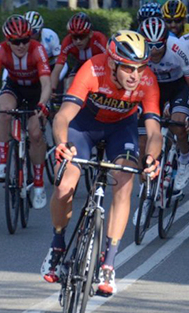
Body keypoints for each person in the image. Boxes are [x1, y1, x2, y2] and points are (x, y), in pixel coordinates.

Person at [42, 31, 160, 297]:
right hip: (84, 128)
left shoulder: (148, 81)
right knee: (64, 185)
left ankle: (109, 263)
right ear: (112, 64)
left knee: (124, 181)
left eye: (140, 68)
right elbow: (62, 117)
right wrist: (62, 143)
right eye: (128, 68)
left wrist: (152, 158)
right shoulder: (93, 69)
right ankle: (58, 244)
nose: (135, 75)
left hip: (121, 129)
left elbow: (153, 132)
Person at [0, 16, 52, 207]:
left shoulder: (37, 50)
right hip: (15, 87)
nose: (20, 45)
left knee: (36, 134)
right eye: (15, 41)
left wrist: (43, 103)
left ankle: (38, 184)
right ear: (7, 40)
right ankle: (3, 163)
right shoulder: (0, 50)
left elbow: (46, 83)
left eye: (25, 40)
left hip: (37, 91)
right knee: (4, 111)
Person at [138, 17, 189, 192]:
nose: (154, 51)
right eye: (149, 45)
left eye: (158, 45)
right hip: (152, 87)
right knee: (142, 140)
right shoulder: (138, 49)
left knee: (178, 124)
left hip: (178, 87)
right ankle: (147, 191)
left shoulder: (177, 47)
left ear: (166, 41)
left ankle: (184, 159)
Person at [51, 13, 108, 91]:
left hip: (99, 65)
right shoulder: (67, 41)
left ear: (90, 34)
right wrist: (52, 89)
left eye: (82, 37)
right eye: (74, 37)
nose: (78, 41)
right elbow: (57, 69)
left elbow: (109, 64)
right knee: (70, 87)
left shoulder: (100, 39)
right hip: (81, 64)